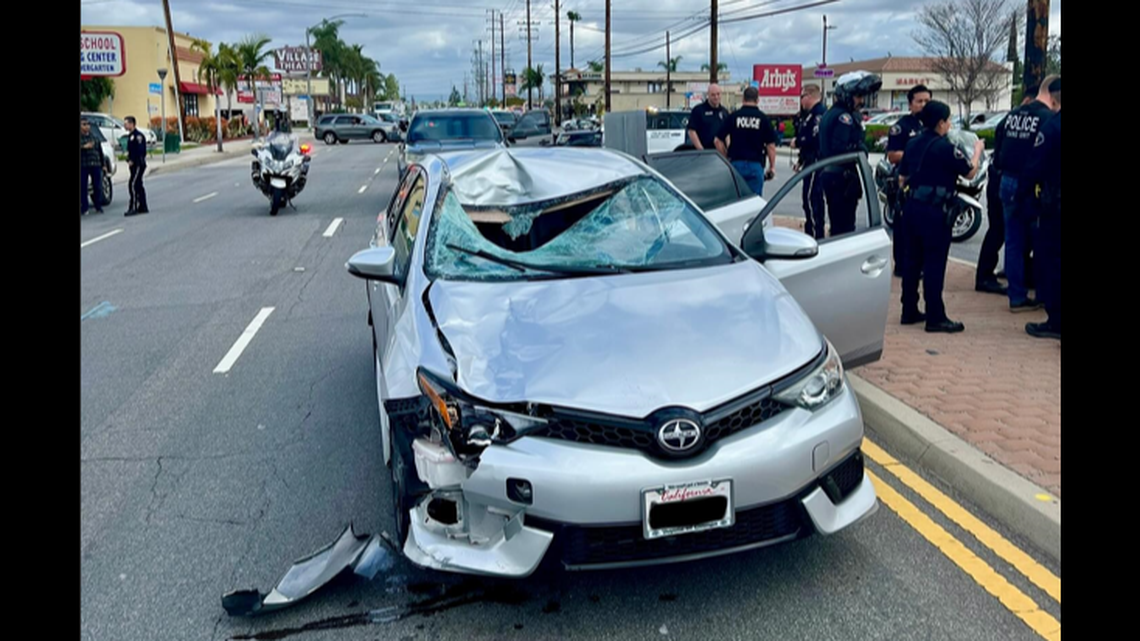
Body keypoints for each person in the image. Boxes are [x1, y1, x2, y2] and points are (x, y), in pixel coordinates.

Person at [899, 100, 985, 333]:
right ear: (940, 123)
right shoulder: (945, 147)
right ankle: (935, 316)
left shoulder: (913, 143)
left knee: (912, 261)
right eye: (947, 121)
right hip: (935, 211)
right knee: (934, 264)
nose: (949, 125)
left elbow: (902, 177)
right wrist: (977, 152)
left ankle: (908, 310)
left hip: (913, 207)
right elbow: (969, 172)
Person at [996, 77, 1058, 312]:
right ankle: (1043, 294)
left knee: (1013, 242)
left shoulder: (1014, 115)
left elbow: (1000, 143)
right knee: (1042, 241)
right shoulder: (1048, 119)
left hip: (1007, 180)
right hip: (1033, 185)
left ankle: (1017, 296)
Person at [978, 88, 1037, 295]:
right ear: (1028, 100)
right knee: (999, 230)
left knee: (1009, 232)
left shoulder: (1009, 119)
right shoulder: (1016, 120)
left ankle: (1010, 272)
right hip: (1003, 178)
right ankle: (985, 275)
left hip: (1001, 177)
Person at [818, 71, 881, 236]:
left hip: (836, 178)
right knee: (843, 229)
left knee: (840, 226)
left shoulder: (833, 113)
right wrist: (862, 149)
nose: (861, 101)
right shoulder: (843, 117)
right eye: (857, 96)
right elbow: (842, 149)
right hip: (841, 180)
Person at [1024, 78, 1061, 339]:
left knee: (1051, 261)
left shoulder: (1052, 127)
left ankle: (1055, 321)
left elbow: (1035, 166)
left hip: (1055, 205)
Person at [886, 85, 932, 277]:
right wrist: (916, 154)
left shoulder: (934, 124)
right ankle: (902, 266)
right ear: (910, 104)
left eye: (927, 101)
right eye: (919, 101)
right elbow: (892, 156)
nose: (923, 105)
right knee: (904, 226)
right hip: (906, 181)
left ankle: (919, 265)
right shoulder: (901, 127)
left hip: (928, 182)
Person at [714, 86, 778, 197]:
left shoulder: (734, 116)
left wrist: (725, 157)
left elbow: (717, 141)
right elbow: (770, 146)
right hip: (755, 164)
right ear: (758, 100)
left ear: (743, 99)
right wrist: (772, 167)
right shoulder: (763, 119)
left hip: (736, 164)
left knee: (735, 200)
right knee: (754, 201)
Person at [792, 84, 826, 238]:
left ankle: (815, 233)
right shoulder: (809, 115)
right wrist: (800, 160)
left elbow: (814, 138)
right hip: (809, 160)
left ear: (810, 96)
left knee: (812, 198)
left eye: (802, 97)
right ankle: (811, 229)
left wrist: (798, 141)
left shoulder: (818, 114)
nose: (801, 101)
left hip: (816, 162)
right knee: (809, 198)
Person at [686, 84, 729, 151]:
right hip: (705, 153)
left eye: (718, 94)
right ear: (708, 95)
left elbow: (727, 133)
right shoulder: (699, 110)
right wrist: (701, 150)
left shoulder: (724, 112)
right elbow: (691, 131)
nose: (716, 97)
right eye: (713, 95)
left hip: (720, 155)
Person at [124, 116, 149, 216]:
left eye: (126, 123)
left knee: (133, 184)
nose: (125, 126)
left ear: (132, 124)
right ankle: (143, 206)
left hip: (138, 164)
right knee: (138, 184)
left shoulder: (138, 136)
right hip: (134, 164)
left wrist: (133, 160)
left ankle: (133, 207)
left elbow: (140, 151)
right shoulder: (131, 136)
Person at [80, 118, 106, 215]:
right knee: (83, 187)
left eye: (88, 124)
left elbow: (100, 152)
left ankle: (98, 206)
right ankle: (84, 207)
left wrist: (103, 165)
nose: (86, 126)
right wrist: (83, 147)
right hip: (83, 165)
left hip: (95, 164)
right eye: (84, 124)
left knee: (97, 186)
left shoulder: (94, 137)